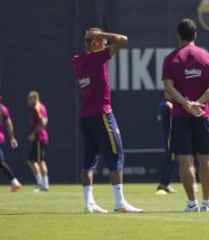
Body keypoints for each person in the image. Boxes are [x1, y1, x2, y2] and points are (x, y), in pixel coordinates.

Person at [72, 27, 143, 213]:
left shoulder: (77, 60)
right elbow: (122, 39)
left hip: (86, 116)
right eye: (101, 40)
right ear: (95, 42)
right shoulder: (96, 58)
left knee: (89, 161)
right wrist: (100, 35)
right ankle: (120, 202)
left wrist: (95, 37)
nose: (105, 43)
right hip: (102, 114)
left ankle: (89, 203)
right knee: (116, 156)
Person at [162, 18, 209, 212]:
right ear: (196, 35)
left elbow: (168, 88)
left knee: (185, 160)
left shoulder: (170, 59)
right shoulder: (208, 57)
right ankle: (206, 202)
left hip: (180, 115)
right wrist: (199, 103)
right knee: (205, 159)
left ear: (178, 36)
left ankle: (192, 203)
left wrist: (186, 104)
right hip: (201, 116)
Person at [27, 91, 50, 192]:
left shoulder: (38, 107)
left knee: (40, 161)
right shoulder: (41, 107)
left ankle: (43, 184)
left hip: (39, 138)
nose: (28, 101)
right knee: (31, 160)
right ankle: (41, 183)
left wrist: (33, 133)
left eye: (30, 98)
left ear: (35, 98)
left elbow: (43, 121)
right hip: (39, 138)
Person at [155, 93, 177, 194]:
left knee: (171, 160)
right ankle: (164, 184)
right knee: (171, 160)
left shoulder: (164, 105)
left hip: (169, 137)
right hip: (171, 138)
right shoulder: (168, 106)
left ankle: (165, 184)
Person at [0, 97, 22, 192]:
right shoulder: (3, 108)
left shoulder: (3, 109)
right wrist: (12, 138)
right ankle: (14, 182)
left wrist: (12, 138)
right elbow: (9, 123)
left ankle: (14, 182)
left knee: (0, 162)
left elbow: (9, 123)